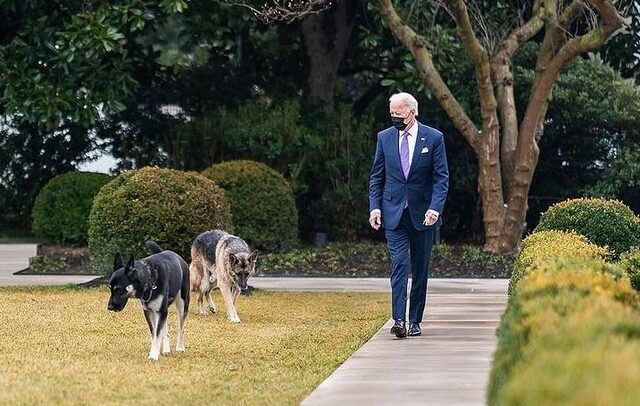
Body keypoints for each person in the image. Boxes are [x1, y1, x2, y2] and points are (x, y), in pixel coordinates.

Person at [369, 92, 449, 338]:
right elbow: (377, 176)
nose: (394, 118)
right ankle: (399, 320)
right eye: (392, 113)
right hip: (393, 214)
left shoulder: (433, 138)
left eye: (399, 114)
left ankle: (415, 319)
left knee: (420, 268)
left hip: (423, 215)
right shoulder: (384, 138)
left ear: (412, 113)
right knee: (400, 266)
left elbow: (441, 178)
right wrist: (375, 207)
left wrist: (435, 208)